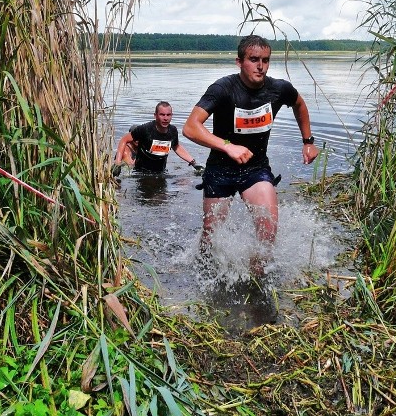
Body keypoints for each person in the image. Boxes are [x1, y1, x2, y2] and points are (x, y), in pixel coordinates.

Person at [182, 35, 319, 274]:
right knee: (211, 236)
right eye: (254, 59)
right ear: (239, 62)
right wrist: (227, 145)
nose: (260, 66)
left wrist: (307, 141)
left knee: (268, 228)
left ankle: (257, 276)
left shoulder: (279, 89)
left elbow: (299, 104)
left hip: (255, 169)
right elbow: (190, 127)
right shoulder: (222, 88)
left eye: (265, 60)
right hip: (221, 170)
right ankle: (202, 270)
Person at [113, 101, 203, 175]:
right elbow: (124, 140)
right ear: (155, 115)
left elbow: (176, 147)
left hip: (161, 172)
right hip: (140, 173)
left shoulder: (173, 130)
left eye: (168, 115)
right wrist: (117, 163)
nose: (165, 118)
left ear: (172, 115)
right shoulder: (145, 129)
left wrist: (194, 163)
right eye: (162, 115)